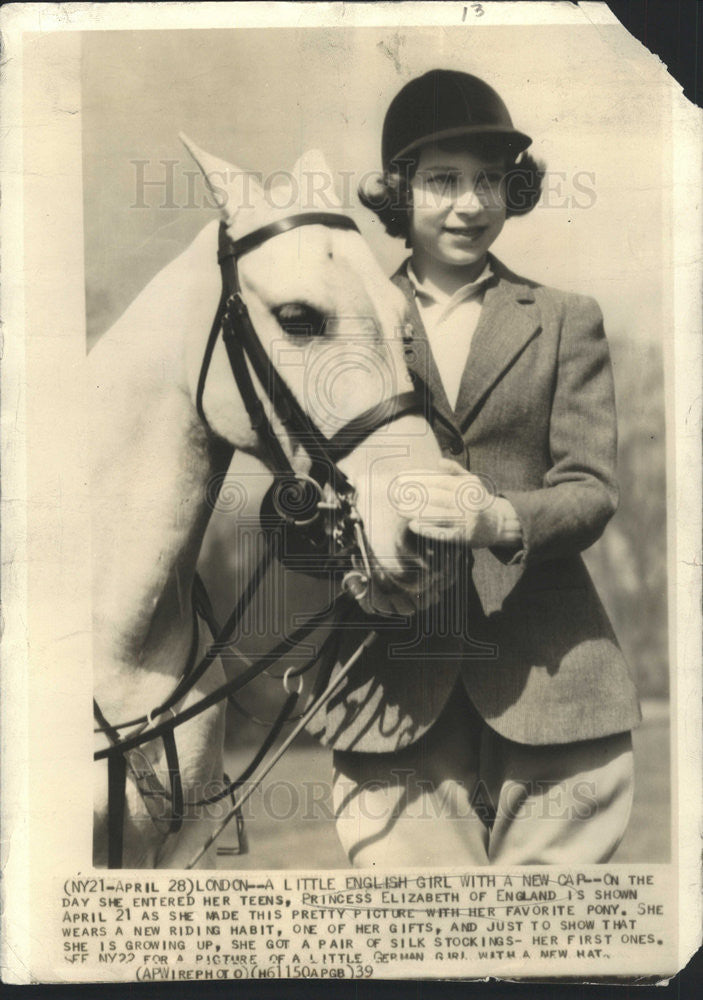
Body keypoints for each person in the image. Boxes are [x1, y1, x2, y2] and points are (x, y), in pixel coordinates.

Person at [307, 68, 641, 866]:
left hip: (554, 684)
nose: (470, 204)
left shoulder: (565, 319)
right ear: (398, 192)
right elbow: (310, 493)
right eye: (441, 181)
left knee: (552, 953)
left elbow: (590, 491)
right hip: (387, 683)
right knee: (420, 949)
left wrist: (500, 519)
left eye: (489, 180)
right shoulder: (341, 323)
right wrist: (350, 554)